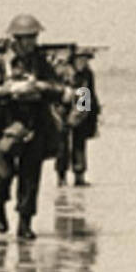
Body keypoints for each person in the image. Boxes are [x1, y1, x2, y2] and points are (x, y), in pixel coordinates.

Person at [0, 14, 71, 240]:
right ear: (16, 39)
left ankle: (25, 222)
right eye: (26, 38)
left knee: (31, 178)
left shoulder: (41, 62)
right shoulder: (0, 62)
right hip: (5, 125)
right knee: (3, 176)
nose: (31, 42)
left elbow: (60, 89)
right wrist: (10, 89)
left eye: (33, 37)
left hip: (35, 123)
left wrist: (39, 86)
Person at [55, 48, 101, 187]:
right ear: (74, 59)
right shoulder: (61, 71)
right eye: (81, 58)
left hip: (81, 110)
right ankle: (61, 176)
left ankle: (79, 175)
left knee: (79, 144)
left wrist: (93, 112)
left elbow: (88, 95)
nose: (84, 62)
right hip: (62, 110)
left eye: (86, 59)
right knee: (62, 146)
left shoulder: (87, 73)